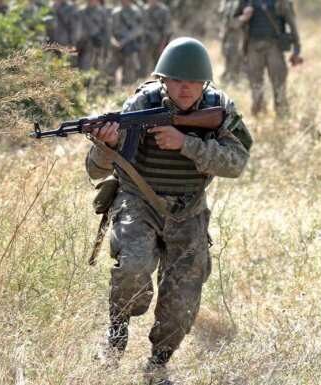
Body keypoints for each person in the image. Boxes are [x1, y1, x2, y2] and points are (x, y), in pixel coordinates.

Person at [86, 37, 252, 384]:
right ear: (163, 80)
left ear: (205, 82)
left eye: (192, 81)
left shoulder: (220, 108)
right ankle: (116, 332)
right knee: (132, 269)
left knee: (182, 301)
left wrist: (186, 143)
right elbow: (96, 171)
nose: (185, 88)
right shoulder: (140, 103)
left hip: (188, 209)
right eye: (177, 80)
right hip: (139, 200)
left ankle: (158, 362)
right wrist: (107, 144)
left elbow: (237, 163)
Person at [236, 0, 303, 117]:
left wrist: (296, 50)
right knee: (256, 85)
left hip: (274, 47)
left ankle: (283, 117)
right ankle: (259, 115)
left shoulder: (281, 2)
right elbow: (232, 24)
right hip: (253, 47)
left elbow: (292, 24)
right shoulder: (246, 2)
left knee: (279, 85)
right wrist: (243, 18)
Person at [105, 0, 143, 86]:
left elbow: (138, 30)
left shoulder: (136, 12)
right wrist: (113, 41)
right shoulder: (115, 12)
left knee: (129, 75)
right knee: (109, 72)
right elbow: (110, 30)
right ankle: (111, 93)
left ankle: (126, 94)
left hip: (129, 46)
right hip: (116, 47)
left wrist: (123, 42)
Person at [138, 0, 171, 79]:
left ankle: (158, 83)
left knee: (159, 66)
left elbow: (166, 30)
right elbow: (140, 26)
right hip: (146, 42)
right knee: (142, 65)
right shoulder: (144, 9)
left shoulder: (164, 10)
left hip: (159, 42)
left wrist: (163, 45)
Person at [75, 0, 110, 71]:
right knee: (84, 66)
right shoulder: (81, 11)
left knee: (98, 66)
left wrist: (105, 44)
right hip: (84, 44)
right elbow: (77, 28)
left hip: (98, 44)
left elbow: (107, 30)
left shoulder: (102, 12)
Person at [219, 0, 244, 84]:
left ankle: (235, 82)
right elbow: (225, 22)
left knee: (238, 64)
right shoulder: (228, 3)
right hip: (229, 39)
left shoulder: (241, 3)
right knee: (229, 63)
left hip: (239, 38)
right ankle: (229, 82)